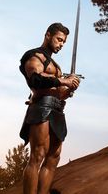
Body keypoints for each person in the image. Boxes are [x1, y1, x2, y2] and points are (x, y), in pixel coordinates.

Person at [19, 22, 80, 194]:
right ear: (48, 35)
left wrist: (68, 89)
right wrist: (63, 81)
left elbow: (58, 92)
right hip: (42, 107)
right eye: (59, 39)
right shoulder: (34, 56)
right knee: (37, 155)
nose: (61, 44)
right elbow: (35, 80)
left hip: (57, 110)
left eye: (64, 42)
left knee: (54, 157)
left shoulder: (56, 66)